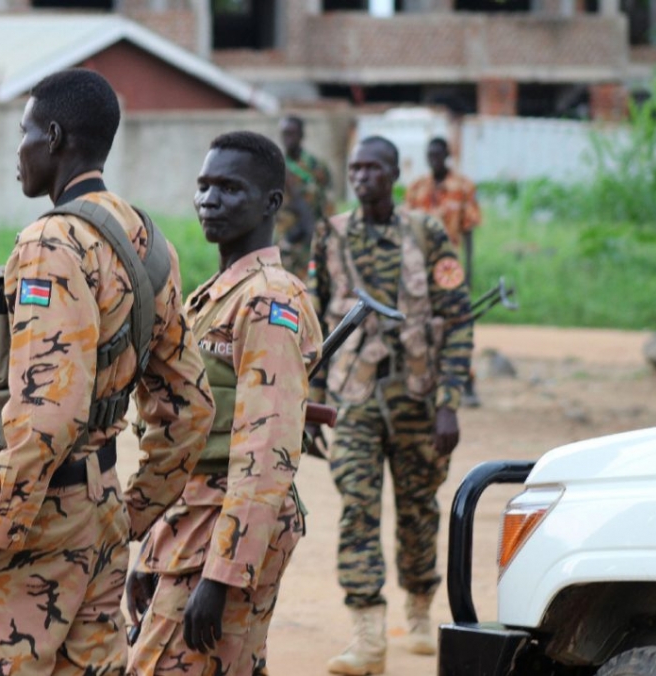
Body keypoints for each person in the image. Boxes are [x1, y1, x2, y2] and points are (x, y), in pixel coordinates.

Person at [0, 69, 215, 676]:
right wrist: (130, 513)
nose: (19, 149)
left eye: (25, 132)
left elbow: (46, 417)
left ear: (55, 138)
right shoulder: (148, 242)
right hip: (100, 511)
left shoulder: (51, 244)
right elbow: (191, 406)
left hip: (31, 527)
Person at [126, 131, 323, 676]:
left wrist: (222, 575)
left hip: (230, 525)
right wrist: (153, 550)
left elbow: (267, 450)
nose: (210, 200)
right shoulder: (217, 294)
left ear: (271, 204)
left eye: (230, 189)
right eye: (204, 186)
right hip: (195, 517)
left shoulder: (268, 299)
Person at [311, 136, 473, 675]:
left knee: (418, 509)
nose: (361, 177)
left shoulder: (428, 232)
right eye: (354, 168)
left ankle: (420, 610)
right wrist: (310, 402)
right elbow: (314, 323)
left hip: (417, 395)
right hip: (351, 396)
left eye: (372, 168)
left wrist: (449, 402)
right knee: (357, 505)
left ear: (394, 174)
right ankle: (368, 634)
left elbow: (457, 315)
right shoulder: (330, 235)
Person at [405, 137, 482, 407]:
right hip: (418, 267)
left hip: (449, 268)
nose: (434, 159)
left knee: (456, 322)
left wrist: (469, 271)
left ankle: (465, 381)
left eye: (439, 154)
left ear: (447, 156)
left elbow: (469, 231)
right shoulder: (416, 188)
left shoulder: (463, 188)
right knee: (419, 321)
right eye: (430, 154)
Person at [274, 115, 333, 281]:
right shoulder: (276, 166)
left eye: (292, 133)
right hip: (285, 238)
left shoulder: (317, 167)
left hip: (311, 237)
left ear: (301, 135)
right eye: (285, 134)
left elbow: (328, 202)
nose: (288, 138)